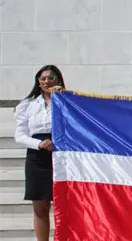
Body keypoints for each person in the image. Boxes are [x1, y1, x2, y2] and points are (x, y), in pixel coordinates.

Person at [14, 65, 66, 241]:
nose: (46, 81)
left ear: (58, 80)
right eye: (42, 78)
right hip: (38, 157)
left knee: (64, 206)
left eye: (51, 77)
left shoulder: (67, 101)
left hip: (62, 157)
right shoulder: (27, 105)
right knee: (40, 207)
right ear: (38, 81)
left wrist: (62, 97)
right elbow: (19, 135)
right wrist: (39, 144)